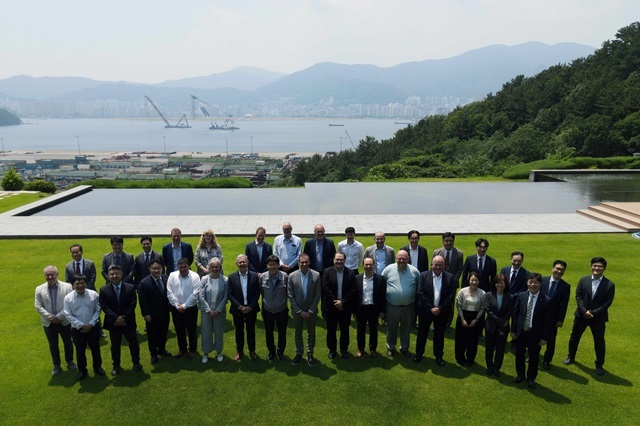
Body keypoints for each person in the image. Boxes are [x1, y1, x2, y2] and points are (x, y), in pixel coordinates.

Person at [564, 257, 615, 376]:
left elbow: (607, 302)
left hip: (598, 318)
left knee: (599, 341)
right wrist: (584, 311)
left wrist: (593, 313)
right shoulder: (583, 280)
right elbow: (578, 296)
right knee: (574, 337)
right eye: (595, 266)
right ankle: (571, 357)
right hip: (581, 316)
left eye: (600, 266)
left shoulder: (609, 284)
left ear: (604, 268)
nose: (597, 268)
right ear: (591, 266)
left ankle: (599, 365)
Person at [99, 265, 141, 375]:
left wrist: (124, 318)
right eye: (112, 274)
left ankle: (136, 363)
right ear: (108, 275)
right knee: (115, 345)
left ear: (121, 275)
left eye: (117, 273)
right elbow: (104, 305)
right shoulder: (103, 289)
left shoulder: (130, 288)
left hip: (128, 322)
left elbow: (132, 304)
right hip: (113, 323)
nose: (114, 276)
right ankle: (116, 365)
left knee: (133, 343)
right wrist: (116, 318)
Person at [511, 273, 551, 389]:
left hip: (535, 334)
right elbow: (516, 314)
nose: (532, 285)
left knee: (534, 358)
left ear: (540, 284)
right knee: (519, 355)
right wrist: (513, 330)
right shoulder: (521, 296)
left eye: (535, 282)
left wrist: (544, 338)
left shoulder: (546, 300)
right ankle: (520, 375)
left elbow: (548, 321)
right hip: (521, 331)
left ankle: (531, 378)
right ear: (527, 283)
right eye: (530, 282)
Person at [414, 255, 454, 366]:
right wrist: (431, 308)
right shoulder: (423, 275)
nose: (438, 267)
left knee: (439, 335)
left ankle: (439, 356)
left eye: (440, 265)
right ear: (431, 265)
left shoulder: (449, 277)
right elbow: (420, 293)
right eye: (436, 264)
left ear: (444, 266)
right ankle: (419, 354)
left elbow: (450, 295)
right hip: (426, 311)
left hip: (441, 312)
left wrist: (439, 308)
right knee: (422, 333)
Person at [35, 265, 75, 376]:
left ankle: (70, 361)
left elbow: (69, 304)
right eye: (47, 275)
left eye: (52, 274)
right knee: (53, 344)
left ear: (57, 274)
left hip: (64, 321)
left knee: (68, 342)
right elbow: (38, 306)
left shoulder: (67, 287)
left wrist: (59, 317)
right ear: (44, 276)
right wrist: (50, 317)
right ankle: (56, 365)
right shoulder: (39, 289)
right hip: (48, 323)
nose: (50, 276)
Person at [63, 274, 105, 381]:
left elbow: (98, 310)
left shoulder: (94, 295)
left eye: (82, 283)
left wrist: (90, 324)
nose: (80, 285)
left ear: (86, 283)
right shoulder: (68, 298)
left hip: (93, 327)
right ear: (73, 285)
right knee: (80, 350)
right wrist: (82, 325)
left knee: (95, 348)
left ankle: (97, 367)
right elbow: (67, 314)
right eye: (77, 283)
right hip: (77, 329)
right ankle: (82, 370)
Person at [381, 250, 420, 357]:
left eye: (404, 258)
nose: (401, 260)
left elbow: (418, 288)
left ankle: (404, 348)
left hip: (408, 307)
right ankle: (391, 347)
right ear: (396, 259)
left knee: (406, 329)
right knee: (391, 328)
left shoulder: (414, 271)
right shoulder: (388, 269)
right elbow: (381, 284)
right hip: (392, 306)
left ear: (408, 259)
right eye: (399, 258)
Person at [288, 253, 321, 366]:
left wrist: (310, 310)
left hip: (311, 311)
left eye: (306, 262)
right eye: (302, 262)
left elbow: (317, 295)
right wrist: (299, 311)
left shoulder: (316, 275)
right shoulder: (292, 276)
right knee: (298, 333)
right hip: (297, 311)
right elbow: (290, 295)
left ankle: (310, 354)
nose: (304, 264)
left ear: (309, 262)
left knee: (311, 333)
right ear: (298, 263)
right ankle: (299, 353)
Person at [322, 252, 356, 359]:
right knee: (331, 330)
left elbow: (353, 290)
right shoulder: (327, 272)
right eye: (337, 259)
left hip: (345, 308)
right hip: (331, 307)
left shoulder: (350, 273)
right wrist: (336, 302)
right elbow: (326, 289)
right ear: (333, 260)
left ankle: (344, 349)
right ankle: (332, 350)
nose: (339, 261)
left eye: (341, 260)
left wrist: (343, 302)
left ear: (345, 260)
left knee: (345, 330)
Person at [137, 259, 172, 364]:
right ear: (149, 269)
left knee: (163, 331)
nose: (156, 270)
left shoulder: (166, 278)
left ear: (162, 269)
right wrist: (145, 314)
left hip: (165, 312)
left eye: (158, 268)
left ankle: (162, 349)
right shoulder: (144, 283)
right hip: (152, 314)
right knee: (152, 335)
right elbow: (142, 301)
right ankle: (154, 354)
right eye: (154, 268)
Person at [227, 254, 261, 361]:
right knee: (239, 331)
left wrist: (251, 307)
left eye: (244, 262)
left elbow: (257, 293)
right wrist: (240, 307)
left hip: (251, 309)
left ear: (248, 263)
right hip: (238, 310)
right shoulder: (232, 277)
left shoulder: (254, 276)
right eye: (240, 262)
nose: (242, 264)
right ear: (236, 264)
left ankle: (252, 351)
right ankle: (240, 351)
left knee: (251, 331)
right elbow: (230, 294)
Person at [166, 257, 201, 359]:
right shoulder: (172, 276)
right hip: (176, 308)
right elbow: (169, 292)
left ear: (189, 266)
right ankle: (182, 349)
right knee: (179, 329)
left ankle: (192, 350)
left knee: (191, 330)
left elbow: (195, 294)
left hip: (190, 308)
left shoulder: (195, 276)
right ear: (178, 267)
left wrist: (184, 306)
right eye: (180, 267)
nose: (182, 269)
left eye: (185, 267)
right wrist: (177, 305)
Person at [540, 260, 571, 370]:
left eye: (562, 270)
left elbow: (564, 304)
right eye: (557, 268)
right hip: (539, 315)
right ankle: (533, 356)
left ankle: (547, 360)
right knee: (535, 337)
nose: (559, 271)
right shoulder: (542, 280)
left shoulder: (565, 286)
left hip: (553, 318)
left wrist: (560, 319)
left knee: (551, 340)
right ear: (552, 268)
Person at [354, 257, 386, 358]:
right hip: (361, 308)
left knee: (373, 330)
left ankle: (373, 349)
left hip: (373, 308)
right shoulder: (357, 278)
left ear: (373, 265)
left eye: (370, 264)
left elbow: (382, 296)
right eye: (366, 264)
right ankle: (360, 349)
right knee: (360, 330)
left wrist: (382, 311)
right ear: (363, 265)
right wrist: (354, 311)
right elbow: (354, 296)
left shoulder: (380, 279)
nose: (368, 266)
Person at [260, 255, 290, 360]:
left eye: (275, 265)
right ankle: (271, 352)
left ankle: (281, 351)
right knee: (269, 332)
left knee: (282, 333)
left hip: (282, 310)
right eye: (270, 265)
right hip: (267, 311)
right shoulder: (262, 277)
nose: (272, 267)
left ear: (278, 265)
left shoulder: (285, 277)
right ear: (267, 266)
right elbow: (261, 292)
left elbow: (288, 293)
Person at [432, 232, 464, 332]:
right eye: (446, 241)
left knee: (449, 304)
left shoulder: (459, 253)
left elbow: (459, 269)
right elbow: (432, 266)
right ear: (443, 241)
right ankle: (435, 323)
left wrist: (452, 280)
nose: (448, 243)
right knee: (437, 301)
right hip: (437, 281)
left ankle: (447, 324)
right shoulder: (436, 252)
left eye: (451, 241)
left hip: (452, 284)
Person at [199, 258, 228, 363]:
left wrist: (218, 310)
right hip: (206, 311)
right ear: (209, 268)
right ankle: (206, 353)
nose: (215, 269)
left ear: (220, 268)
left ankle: (219, 352)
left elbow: (226, 297)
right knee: (206, 332)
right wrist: (208, 310)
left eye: (217, 267)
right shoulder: (204, 279)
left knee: (218, 332)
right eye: (212, 267)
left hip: (219, 312)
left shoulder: (225, 280)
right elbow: (201, 297)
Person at [483, 274, 513, 377]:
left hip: (502, 329)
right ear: (494, 283)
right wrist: (501, 322)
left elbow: (508, 314)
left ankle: (496, 368)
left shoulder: (510, 297)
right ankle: (489, 367)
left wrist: (503, 327)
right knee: (489, 348)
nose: (500, 285)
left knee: (500, 349)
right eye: (498, 282)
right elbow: (489, 312)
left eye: (502, 282)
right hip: (490, 326)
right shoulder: (488, 295)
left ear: (506, 284)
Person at [455, 271, 485, 366]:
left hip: (475, 318)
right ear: (469, 280)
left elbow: (482, 308)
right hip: (463, 316)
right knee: (461, 339)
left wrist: (476, 319)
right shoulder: (462, 291)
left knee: (473, 340)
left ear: (479, 281)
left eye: (476, 280)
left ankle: (470, 359)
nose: (474, 282)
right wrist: (462, 318)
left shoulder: (482, 293)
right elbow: (458, 305)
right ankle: (460, 357)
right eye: (472, 280)